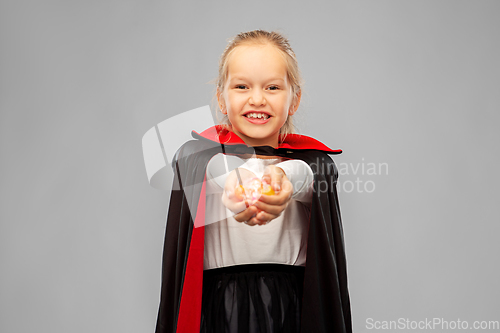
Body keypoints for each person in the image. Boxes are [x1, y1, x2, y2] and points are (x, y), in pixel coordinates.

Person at [154, 30, 352, 333]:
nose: (257, 99)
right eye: (242, 86)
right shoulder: (197, 158)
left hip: (293, 309)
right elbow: (213, 169)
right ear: (221, 97)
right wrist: (238, 181)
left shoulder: (312, 165)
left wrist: (283, 180)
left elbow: (310, 176)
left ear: (294, 99)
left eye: (272, 87)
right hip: (221, 310)